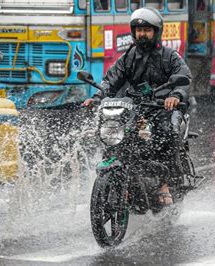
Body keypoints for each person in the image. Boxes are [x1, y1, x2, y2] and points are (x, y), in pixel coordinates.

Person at [82, 7, 192, 206]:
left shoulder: (169, 56)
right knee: (114, 130)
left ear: (156, 32)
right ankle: (120, 175)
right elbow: (110, 81)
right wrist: (97, 97)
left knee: (167, 132)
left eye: (147, 30)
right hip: (136, 107)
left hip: (163, 108)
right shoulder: (127, 58)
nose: (142, 34)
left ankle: (164, 183)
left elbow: (184, 79)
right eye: (138, 30)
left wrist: (175, 96)